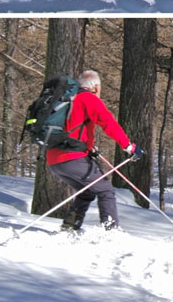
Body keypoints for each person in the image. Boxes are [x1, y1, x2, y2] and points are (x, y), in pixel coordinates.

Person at [46, 70, 144, 231]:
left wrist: (88, 146)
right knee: (105, 189)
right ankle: (110, 231)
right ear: (96, 87)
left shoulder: (67, 99)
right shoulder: (88, 98)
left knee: (86, 192)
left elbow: (72, 128)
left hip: (54, 160)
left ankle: (70, 227)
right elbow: (108, 123)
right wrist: (128, 146)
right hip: (72, 158)